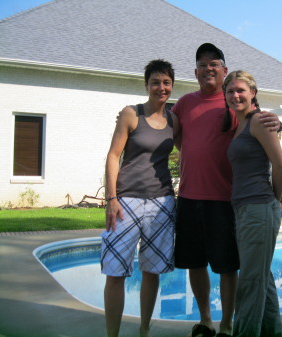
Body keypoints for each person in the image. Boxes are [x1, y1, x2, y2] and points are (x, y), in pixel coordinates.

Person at [172, 43, 282, 337]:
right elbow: (171, 135)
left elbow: (260, 124)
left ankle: (227, 325)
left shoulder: (234, 104)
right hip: (189, 196)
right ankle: (206, 320)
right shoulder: (183, 104)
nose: (209, 68)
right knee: (194, 263)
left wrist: (277, 123)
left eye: (215, 64)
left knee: (227, 266)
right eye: (203, 64)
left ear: (223, 70)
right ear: (195, 72)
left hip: (225, 199)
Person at [101, 59, 178, 337]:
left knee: (152, 271)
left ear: (172, 86)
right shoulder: (131, 114)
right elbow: (113, 155)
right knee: (115, 271)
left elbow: (194, 148)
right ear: (146, 85)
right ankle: (113, 334)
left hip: (162, 203)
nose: (161, 87)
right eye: (155, 82)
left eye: (166, 82)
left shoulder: (174, 120)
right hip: (126, 201)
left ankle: (144, 329)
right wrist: (112, 198)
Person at [223, 70, 282, 337]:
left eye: (241, 90)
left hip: (259, 209)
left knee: (250, 283)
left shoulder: (258, 121)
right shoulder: (239, 125)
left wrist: (275, 200)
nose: (236, 95)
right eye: (230, 91)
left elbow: (281, 165)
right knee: (262, 279)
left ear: (253, 93)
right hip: (246, 210)